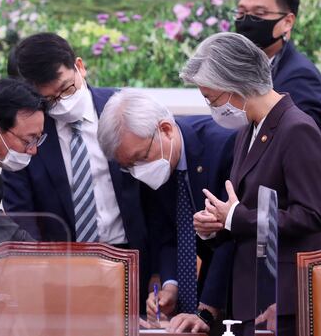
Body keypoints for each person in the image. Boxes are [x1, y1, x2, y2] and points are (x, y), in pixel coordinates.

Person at [182, 32, 321, 336]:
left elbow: (311, 215)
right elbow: (244, 214)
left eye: (211, 98)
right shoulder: (247, 131)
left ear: (235, 84)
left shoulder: (297, 128)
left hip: (282, 299)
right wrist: (216, 226)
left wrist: (235, 217)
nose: (211, 107)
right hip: (247, 294)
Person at [2, 32, 151, 310]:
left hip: (127, 257)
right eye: (48, 100)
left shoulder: (123, 110)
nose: (61, 102)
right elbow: (21, 213)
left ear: (79, 67)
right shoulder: (26, 133)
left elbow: (155, 197)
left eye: (66, 89)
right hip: (59, 269)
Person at [97, 89, 236, 334]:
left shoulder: (223, 145)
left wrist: (207, 309)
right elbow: (168, 232)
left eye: (141, 157)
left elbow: (232, 236)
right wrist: (170, 286)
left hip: (234, 293)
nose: (139, 170)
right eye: (129, 166)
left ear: (166, 129)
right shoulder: (152, 164)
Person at [233, 0, 321, 213]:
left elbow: (293, 154)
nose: (247, 21)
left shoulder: (299, 78)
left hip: (292, 220)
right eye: (241, 12)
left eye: (259, 14)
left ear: (287, 22)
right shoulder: (263, 71)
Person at [0, 78, 48, 245]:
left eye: (37, 139)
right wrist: (47, 257)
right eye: (28, 140)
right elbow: (5, 237)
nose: (33, 150)